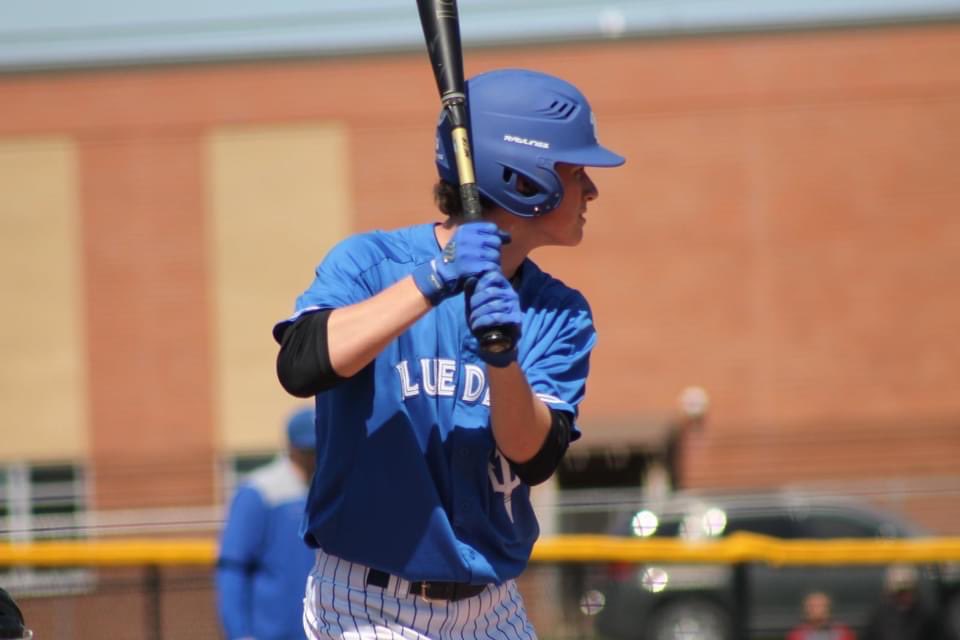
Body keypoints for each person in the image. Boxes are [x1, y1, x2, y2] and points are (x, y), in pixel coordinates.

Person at [273, 68, 624, 638]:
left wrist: (502, 357)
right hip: (367, 604)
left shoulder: (559, 311)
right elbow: (301, 365)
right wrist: (436, 278)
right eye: (576, 171)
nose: (591, 190)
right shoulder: (371, 264)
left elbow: (534, 457)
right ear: (525, 180)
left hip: (492, 606)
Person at [216, 407, 318, 640]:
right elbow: (233, 567)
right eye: (309, 449)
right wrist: (239, 632)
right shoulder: (260, 492)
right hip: (271, 633)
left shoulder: (329, 489)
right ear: (293, 448)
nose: (315, 455)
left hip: (321, 630)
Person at [862, 564, 947, 640]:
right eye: (898, 593)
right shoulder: (879, 616)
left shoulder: (927, 616)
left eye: (907, 591)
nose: (903, 597)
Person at [786, 591, 855, 640]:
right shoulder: (796, 634)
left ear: (829, 608)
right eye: (812, 606)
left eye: (821, 606)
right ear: (806, 610)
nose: (817, 610)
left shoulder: (844, 632)